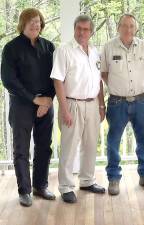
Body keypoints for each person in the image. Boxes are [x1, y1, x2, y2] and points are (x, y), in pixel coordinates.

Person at [101, 13, 144, 195]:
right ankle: (113, 178)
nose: (128, 29)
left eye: (131, 26)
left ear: (136, 28)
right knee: (113, 142)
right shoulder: (108, 47)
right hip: (117, 102)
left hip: (141, 101)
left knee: (143, 140)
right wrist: (116, 86)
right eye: (124, 25)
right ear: (119, 27)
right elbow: (104, 72)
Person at [1, 8, 56, 207]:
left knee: (44, 147)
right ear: (22, 24)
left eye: (38, 21)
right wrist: (34, 100)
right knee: (21, 150)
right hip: (22, 105)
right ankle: (24, 190)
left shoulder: (49, 46)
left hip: (46, 105)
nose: (35, 24)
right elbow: (9, 80)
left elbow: (56, 77)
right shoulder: (11, 48)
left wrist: (48, 99)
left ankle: (40, 186)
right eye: (31, 21)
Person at [51, 15, 106, 203]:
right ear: (74, 29)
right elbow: (57, 80)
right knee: (69, 146)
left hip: (92, 104)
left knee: (91, 145)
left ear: (91, 32)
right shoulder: (64, 50)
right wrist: (64, 109)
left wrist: (101, 104)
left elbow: (98, 80)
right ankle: (66, 186)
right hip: (72, 103)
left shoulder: (95, 52)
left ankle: (87, 180)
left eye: (86, 29)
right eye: (79, 29)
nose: (82, 32)